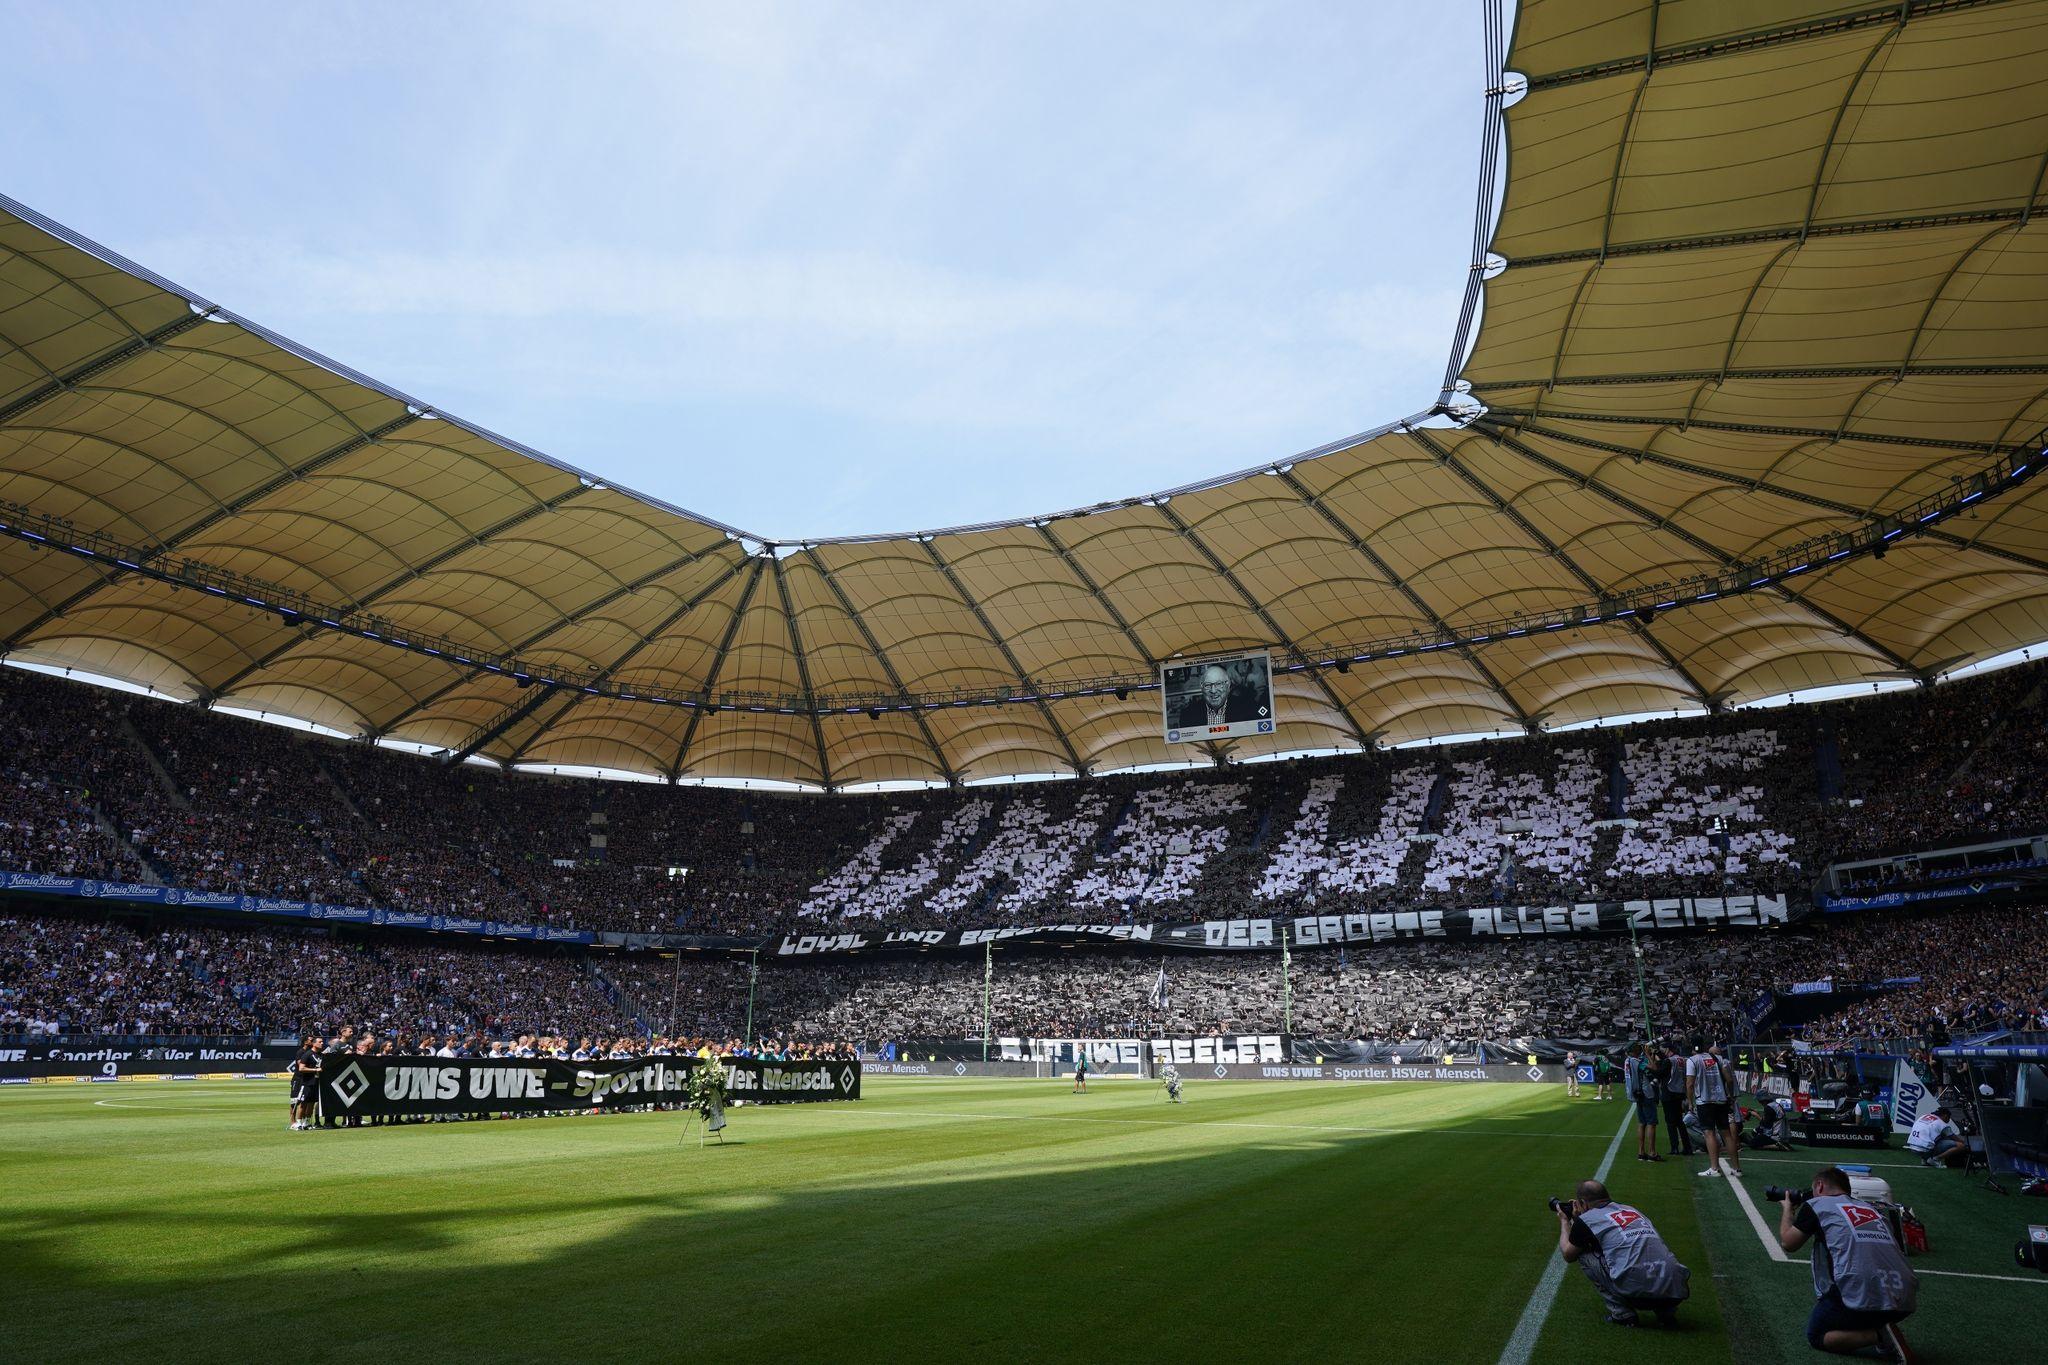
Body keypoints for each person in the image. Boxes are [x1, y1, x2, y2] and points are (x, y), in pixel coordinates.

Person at [1779, 1167, 1918, 1361]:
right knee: (1861, 1308)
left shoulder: (1818, 1204)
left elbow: (1788, 1243)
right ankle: (1882, 1327)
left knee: (1817, 1334)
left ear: (1820, 1185)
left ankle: (1880, 1335)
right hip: (1904, 1296)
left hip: (1859, 1292)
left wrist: (1787, 1209)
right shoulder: (1872, 1209)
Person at [1556, 1178, 1691, 1327]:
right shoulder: (1632, 1210)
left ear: (1582, 1203)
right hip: (1675, 1292)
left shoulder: (1587, 1219)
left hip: (1637, 1295)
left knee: (1584, 1254)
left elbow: (1568, 1254)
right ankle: (1666, 1314)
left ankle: (1622, 1314)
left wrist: (1565, 1221)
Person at [1686, 1037, 1742, 1178]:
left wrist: (1690, 1102)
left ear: (1693, 1048)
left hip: (1704, 1101)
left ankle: (1714, 1168)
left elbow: (1690, 1084)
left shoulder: (1692, 1060)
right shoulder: (1718, 1058)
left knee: (1709, 1133)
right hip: (1721, 1099)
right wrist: (1729, 1095)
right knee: (1726, 1134)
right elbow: (1729, 1079)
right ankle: (1737, 1169)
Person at [1171, 664, 1261, 729]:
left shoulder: (1247, 708)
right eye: (1208, 685)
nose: (1213, 691)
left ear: (1228, 685)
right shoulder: (1188, 714)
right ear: (1202, 687)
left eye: (1219, 684)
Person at [1656, 1044, 1697, 1158]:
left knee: (1670, 1122)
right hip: (1680, 1092)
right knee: (1679, 1121)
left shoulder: (1669, 1061)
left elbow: (1659, 1074)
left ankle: (1674, 1147)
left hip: (1669, 1092)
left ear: (1668, 1049)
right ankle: (1687, 1147)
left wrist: (1655, 1063)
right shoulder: (1682, 1060)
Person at [1624, 1043, 1661, 1162]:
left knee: (1641, 1123)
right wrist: (1648, 1054)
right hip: (1646, 1094)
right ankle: (1652, 1152)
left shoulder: (1628, 1061)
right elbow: (1653, 1068)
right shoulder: (1638, 1062)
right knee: (1651, 1123)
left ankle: (1641, 1152)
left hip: (1636, 1094)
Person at [288, 1035, 322, 1131]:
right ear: (306, 1042)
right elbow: (301, 1065)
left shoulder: (317, 1053)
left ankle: (305, 1122)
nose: (312, 1041)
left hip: (311, 1079)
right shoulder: (302, 1052)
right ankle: (293, 1122)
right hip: (299, 1078)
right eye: (311, 1040)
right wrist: (315, 1069)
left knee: (309, 1101)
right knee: (295, 1101)